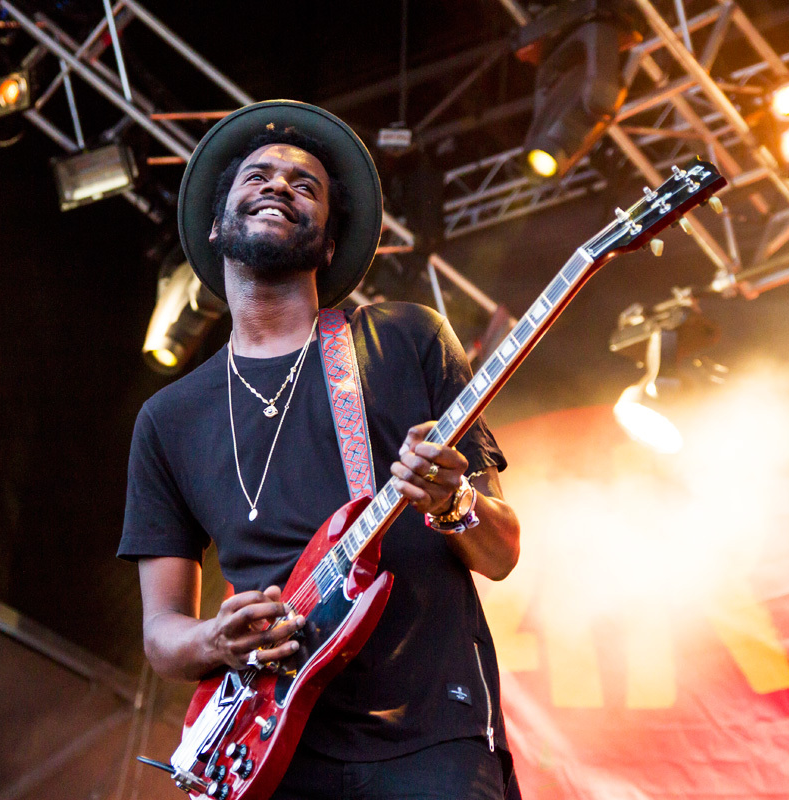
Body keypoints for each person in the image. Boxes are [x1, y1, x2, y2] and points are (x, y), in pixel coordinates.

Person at [119, 101, 521, 800]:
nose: (280, 185)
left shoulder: (406, 338)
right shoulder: (169, 418)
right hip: (272, 748)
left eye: (306, 186)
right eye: (258, 176)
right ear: (217, 226)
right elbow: (162, 636)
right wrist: (215, 640)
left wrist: (452, 500)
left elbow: (503, 551)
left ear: (329, 245)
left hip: (433, 738)